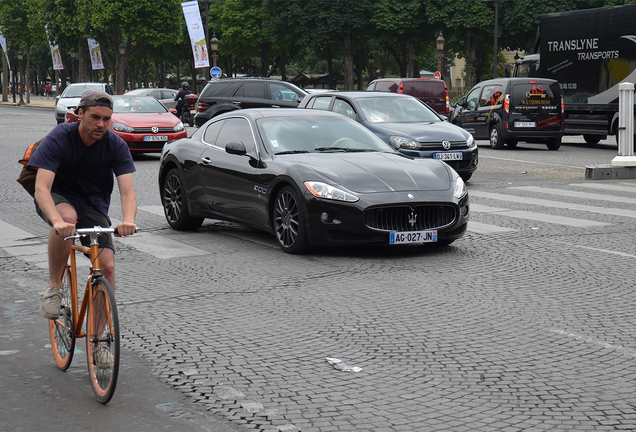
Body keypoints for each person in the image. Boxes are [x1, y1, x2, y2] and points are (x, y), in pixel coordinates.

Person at [29, 90, 137, 333]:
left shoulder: (115, 144)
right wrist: (57, 221)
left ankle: (99, 338)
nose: (101, 124)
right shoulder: (60, 137)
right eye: (95, 117)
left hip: (93, 205)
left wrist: (129, 220)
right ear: (80, 114)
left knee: (107, 268)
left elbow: (128, 192)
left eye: (106, 119)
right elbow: (41, 187)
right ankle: (54, 288)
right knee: (68, 219)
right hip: (57, 196)